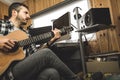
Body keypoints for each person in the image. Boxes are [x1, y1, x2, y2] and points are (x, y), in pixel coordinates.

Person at [0, 2, 80, 80]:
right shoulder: (2, 24)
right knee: (46, 53)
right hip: (7, 72)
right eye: (25, 13)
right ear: (14, 12)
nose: (28, 16)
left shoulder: (26, 34)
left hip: (24, 69)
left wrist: (52, 40)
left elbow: (37, 54)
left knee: (52, 73)